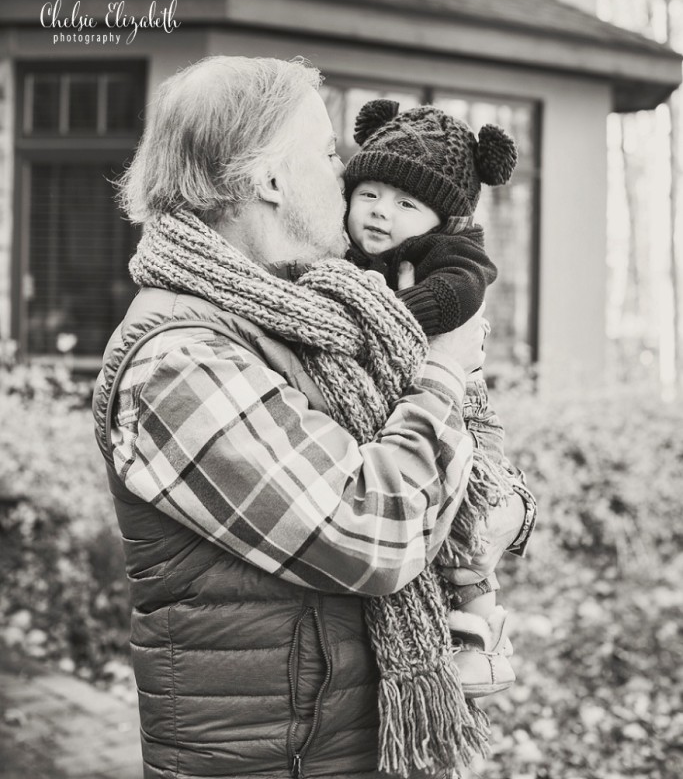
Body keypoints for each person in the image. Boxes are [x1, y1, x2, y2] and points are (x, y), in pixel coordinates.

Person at [92, 56, 504, 779]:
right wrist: (442, 368)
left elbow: (450, 487)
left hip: (339, 744)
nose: (343, 172)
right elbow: (373, 532)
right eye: (324, 152)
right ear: (271, 181)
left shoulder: (306, 315)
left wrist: (494, 513)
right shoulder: (180, 360)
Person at [344, 99, 537, 698]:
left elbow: (458, 295)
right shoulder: (347, 257)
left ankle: (486, 637)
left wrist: (392, 315)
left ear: (440, 218)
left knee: (468, 534)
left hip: (467, 414)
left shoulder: (455, 254)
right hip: (419, 406)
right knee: (432, 536)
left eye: (407, 204)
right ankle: (457, 635)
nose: (381, 212)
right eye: (370, 193)